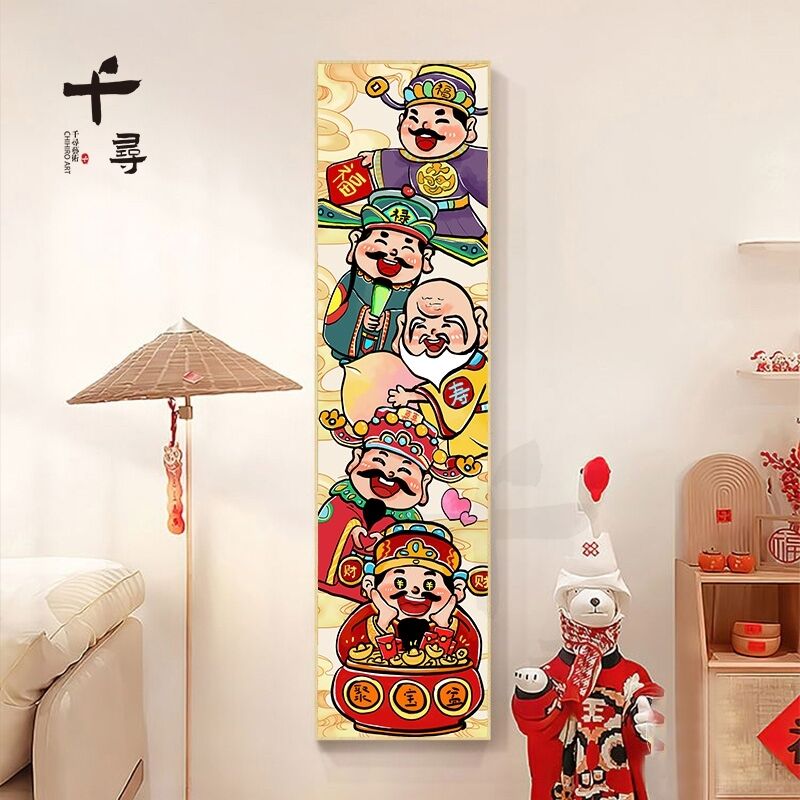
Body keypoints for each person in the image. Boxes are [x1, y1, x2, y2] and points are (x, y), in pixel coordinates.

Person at [322, 188, 437, 364]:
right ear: (356, 241)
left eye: (407, 245)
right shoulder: (352, 280)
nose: (392, 252)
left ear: (425, 258)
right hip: (347, 353)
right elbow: (336, 313)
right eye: (382, 239)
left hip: (389, 363)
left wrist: (388, 321)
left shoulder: (414, 295)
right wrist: (361, 316)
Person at [388, 279, 488, 459]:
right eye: (420, 325)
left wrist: (411, 396)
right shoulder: (422, 370)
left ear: (478, 325)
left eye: (448, 324)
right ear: (402, 328)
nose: (432, 333)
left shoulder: (474, 369)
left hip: (474, 440)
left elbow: (451, 407)